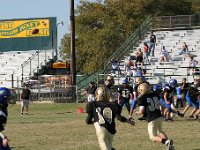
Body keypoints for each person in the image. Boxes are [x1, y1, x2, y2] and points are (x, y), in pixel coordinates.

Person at [135, 83, 175, 150]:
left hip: (152, 118)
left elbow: (141, 110)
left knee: (152, 137)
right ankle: (170, 146)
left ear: (142, 90)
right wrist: (162, 112)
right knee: (160, 131)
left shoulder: (142, 98)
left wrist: (136, 112)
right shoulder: (155, 94)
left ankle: (166, 142)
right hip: (159, 116)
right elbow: (161, 105)